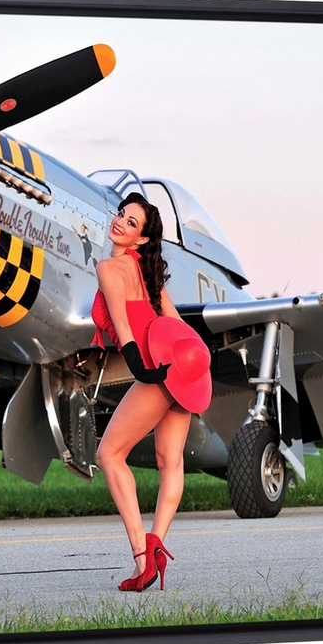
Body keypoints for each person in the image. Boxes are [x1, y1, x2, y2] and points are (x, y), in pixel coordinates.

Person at [90, 192, 197, 592]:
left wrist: (145, 371)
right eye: (121, 214)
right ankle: (156, 547)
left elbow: (124, 324)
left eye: (131, 222)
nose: (120, 222)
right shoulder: (149, 277)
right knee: (171, 463)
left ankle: (141, 558)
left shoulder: (108, 267)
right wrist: (194, 368)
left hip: (155, 370)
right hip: (179, 370)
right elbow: (178, 327)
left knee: (109, 453)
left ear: (140, 240)